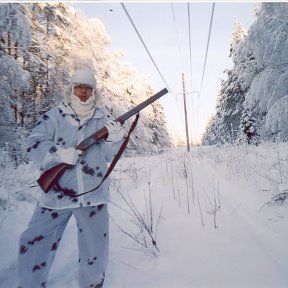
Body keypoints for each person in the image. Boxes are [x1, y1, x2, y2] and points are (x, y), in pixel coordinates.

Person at [17, 68, 126, 288]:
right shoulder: (55, 114)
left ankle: (92, 285)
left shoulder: (102, 117)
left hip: (92, 195)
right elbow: (34, 141)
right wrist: (58, 155)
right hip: (56, 193)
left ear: (94, 91)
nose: (83, 92)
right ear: (71, 89)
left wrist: (114, 139)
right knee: (33, 241)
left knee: (95, 247)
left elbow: (107, 155)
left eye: (88, 88)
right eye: (79, 87)